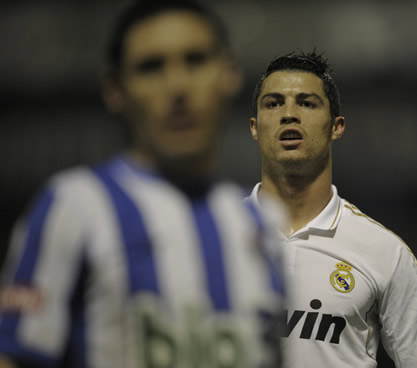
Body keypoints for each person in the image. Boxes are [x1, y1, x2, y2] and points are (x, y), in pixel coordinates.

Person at [0, 1, 284, 367]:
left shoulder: (264, 222)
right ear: (115, 89)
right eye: (151, 67)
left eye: (195, 60)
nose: (177, 86)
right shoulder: (73, 205)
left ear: (229, 74)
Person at [247, 50, 417, 367]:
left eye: (307, 103)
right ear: (255, 126)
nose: (289, 114)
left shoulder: (383, 252)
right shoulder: (211, 235)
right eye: (273, 103)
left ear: (336, 126)